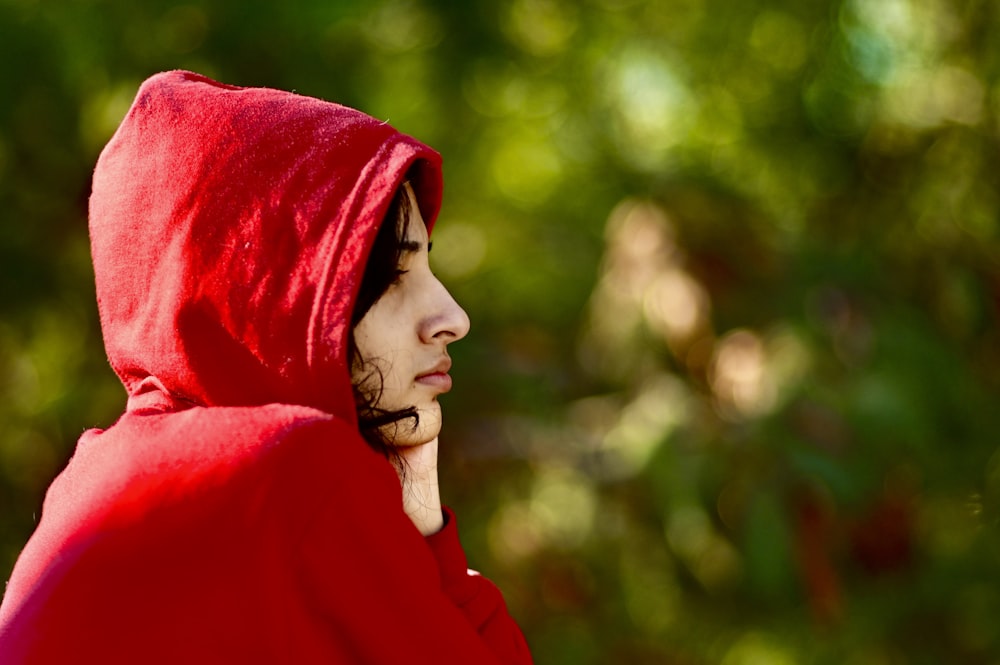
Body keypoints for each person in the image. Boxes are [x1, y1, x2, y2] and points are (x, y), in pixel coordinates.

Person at [0, 70, 533, 664]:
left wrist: (416, 502)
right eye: (393, 276)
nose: (451, 316)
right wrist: (432, 539)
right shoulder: (295, 470)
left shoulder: (84, 487)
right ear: (270, 289)